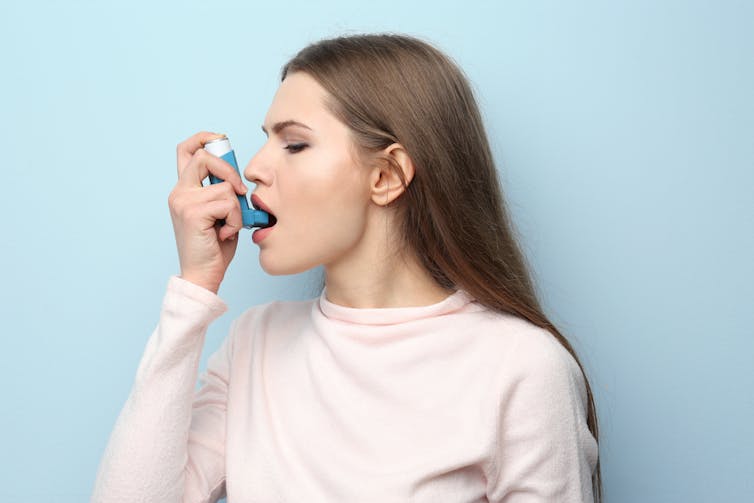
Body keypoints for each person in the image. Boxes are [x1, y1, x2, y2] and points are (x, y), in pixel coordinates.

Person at [92, 33, 600, 502]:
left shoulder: (522, 369)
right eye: (265, 139)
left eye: (293, 143)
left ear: (386, 176)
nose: (254, 168)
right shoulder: (254, 343)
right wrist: (192, 292)